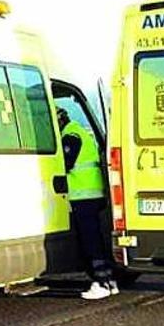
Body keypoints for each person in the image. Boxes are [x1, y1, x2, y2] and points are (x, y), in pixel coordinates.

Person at [57, 107, 119, 300]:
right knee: (96, 240)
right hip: (91, 194)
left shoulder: (71, 135)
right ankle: (110, 282)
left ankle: (101, 283)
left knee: (90, 242)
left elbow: (65, 163)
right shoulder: (79, 131)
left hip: (83, 196)